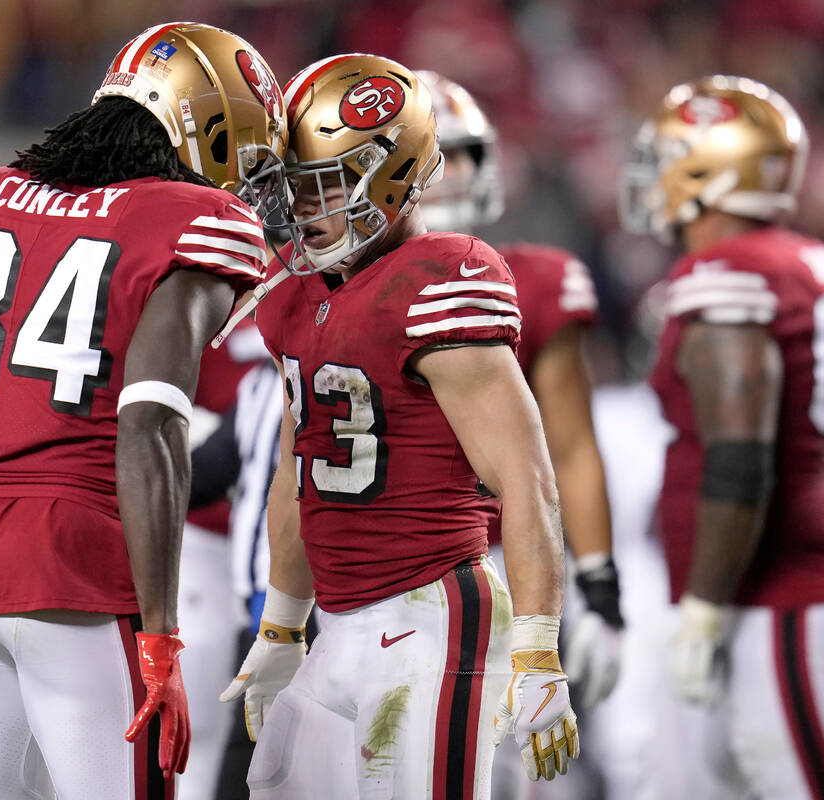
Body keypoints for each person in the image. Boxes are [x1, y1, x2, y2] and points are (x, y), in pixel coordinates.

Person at [0, 22, 287, 800]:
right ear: (201, 132)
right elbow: (150, 426)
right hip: (76, 571)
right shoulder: (190, 221)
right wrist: (163, 635)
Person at [221, 54, 578, 799]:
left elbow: (527, 475)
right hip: (339, 620)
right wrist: (283, 624)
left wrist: (540, 650)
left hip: (430, 613)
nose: (302, 210)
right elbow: (300, 471)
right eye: (292, 190)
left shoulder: (441, 276)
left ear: (387, 177)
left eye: (319, 188)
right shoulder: (294, 299)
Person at [621, 75, 824, 799]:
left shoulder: (728, 273)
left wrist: (704, 606)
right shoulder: (812, 262)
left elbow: (740, 459)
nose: (653, 175)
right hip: (767, 594)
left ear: (710, 168)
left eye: (669, 154)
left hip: (775, 602)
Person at [418, 69, 623, 718]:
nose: (448, 175)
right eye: (429, 158)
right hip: (373, 562)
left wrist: (598, 585)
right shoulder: (329, 295)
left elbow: (571, 448)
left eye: (461, 155)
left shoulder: (533, 281)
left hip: (501, 562)